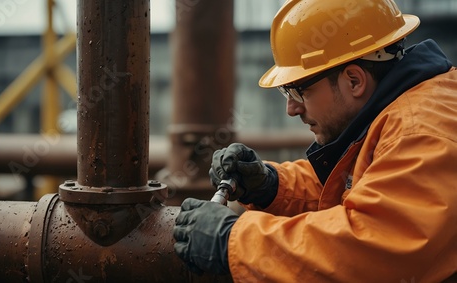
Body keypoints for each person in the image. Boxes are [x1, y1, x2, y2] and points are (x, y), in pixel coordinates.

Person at [173, 0, 457, 282]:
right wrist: (271, 186)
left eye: (299, 91)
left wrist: (233, 242)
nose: (292, 109)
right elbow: (357, 186)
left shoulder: (420, 131)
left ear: (354, 81)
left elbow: (373, 248)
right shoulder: (401, 113)